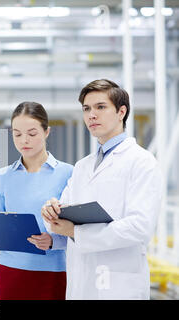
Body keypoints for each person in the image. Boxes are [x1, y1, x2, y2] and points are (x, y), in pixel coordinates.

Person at [40, 79, 162, 300]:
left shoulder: (142, 162)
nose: (91, 115)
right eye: (86, 109)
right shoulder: (82, 166)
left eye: (100, 107)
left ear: (121, 112)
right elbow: (65, 214)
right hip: (81, 282)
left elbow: (140, 226)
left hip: (118, 286)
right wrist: (52, 211)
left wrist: (76, 232)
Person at [0, 101, 73, 300]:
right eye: (17, 134)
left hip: (54, 272)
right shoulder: (1, 177)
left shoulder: (68, 174)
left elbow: (79, 231)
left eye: (32, 134)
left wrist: (52, 241)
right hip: (10, 271)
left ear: (46, 132)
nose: (24, 140)